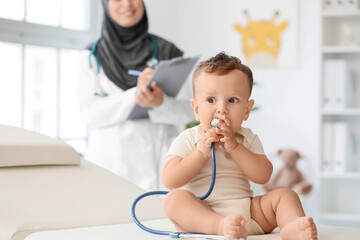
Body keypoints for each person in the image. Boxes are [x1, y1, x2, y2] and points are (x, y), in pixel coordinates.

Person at [161, 52, 317, 240]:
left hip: (248, 214)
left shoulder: (247, 138)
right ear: (196, 109)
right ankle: (220, 226)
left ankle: (292, 226)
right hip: (204, 213)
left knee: (286, 196)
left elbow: (263, 175)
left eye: (232, 100)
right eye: (211, 100)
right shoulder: (188, 138)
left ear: (246, 110)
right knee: (174, 200)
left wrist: (234, 147)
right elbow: (169, 179)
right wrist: (201, 153)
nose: (221, 109)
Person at [77, 0, 193, 191]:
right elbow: (91, 113)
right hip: (111, 167)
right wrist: (134, 96)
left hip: (160, 164)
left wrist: (160, 102)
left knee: (163, 217)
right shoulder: (90, 56)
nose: (127, 4)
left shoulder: (168, 52)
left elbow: (190, 109)